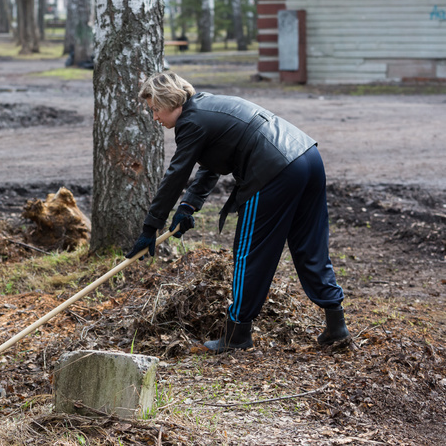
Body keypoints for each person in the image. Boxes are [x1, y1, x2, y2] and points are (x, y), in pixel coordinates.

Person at [126, 71, 350, 353]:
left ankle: (237, 334)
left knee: (250, 253)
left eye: (156, 109)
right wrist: (187, 206)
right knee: (309, 243)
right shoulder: (208, 107)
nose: (155, 117)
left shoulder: (191, 122)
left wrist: (150, 228)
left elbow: (176, 174)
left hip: (273, 171)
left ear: (171, 102)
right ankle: (336, 323)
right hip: (307, 156)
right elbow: (211, 163)